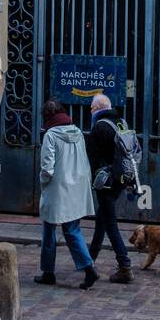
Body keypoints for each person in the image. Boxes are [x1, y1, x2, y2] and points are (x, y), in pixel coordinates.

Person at [34, 98, 98, 289]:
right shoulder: (77, 131)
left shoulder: (50, 135)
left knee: (49, 229)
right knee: (72, 229)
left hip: (57, 188)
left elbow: (47, 167)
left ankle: (49, 271)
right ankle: (88, 268)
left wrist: (43, 184)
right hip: (77, 186)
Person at [86, 93, 133, 284]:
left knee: (110, 223)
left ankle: (125, 265)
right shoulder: (121, 122)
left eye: (91, 108)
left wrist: (91, 181)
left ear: (97, 109)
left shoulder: (99, 127)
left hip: (105, 181)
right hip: (121, 178)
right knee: (102, 218)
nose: (90, 111)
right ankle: (89, 259)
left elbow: (93, 158)